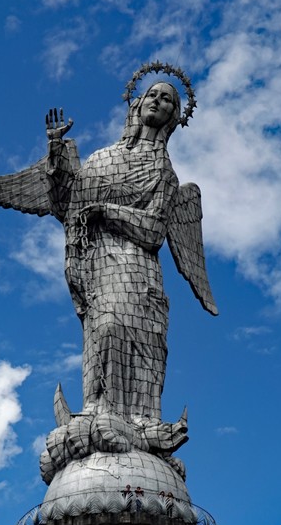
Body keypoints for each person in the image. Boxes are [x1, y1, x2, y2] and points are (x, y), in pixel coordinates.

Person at [45, 82, 182, 421]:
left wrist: (108, 212)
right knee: (103, 328)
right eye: (152, 94)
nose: (158, 101)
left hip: (137, 267)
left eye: (167, 99)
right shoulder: (103, 158)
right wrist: (56, 151)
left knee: (135, 335)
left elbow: (154, 231)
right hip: (98, 260)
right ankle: (96, 406)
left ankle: (140, 419)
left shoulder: (165, 174)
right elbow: (68, 203)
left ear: (173, 116)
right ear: (138, 105)